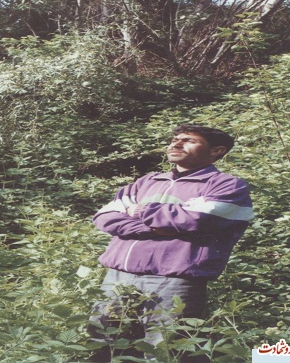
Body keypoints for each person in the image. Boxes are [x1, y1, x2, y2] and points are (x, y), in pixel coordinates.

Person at [88, 124, 253, 362]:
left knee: (165, 349)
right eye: (175, 139)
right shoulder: (146, 181)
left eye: (189, 140)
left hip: (174, 280)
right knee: (101, 343)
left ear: (216, 151)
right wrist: (154, 227)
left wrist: (140, 211)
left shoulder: (227, 185)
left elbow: (197, 219)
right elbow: (105, 216)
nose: (176, 144)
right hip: (117, 276)